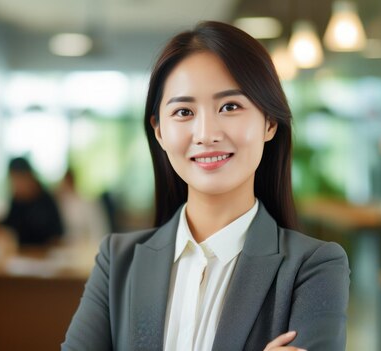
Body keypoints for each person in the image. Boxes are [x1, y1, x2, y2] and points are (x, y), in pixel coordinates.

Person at [62, 21, 350, 351]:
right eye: (184, 111)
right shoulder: (117, 262)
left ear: (269, 122)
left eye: (230, 107)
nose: (206, 134)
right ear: (159, 131)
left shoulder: (313, 268)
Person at [2, 157, 64, 245]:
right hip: (22, 254)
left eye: (19, 179)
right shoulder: (15, 201)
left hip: (45, 254)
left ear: (29, 176)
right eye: (13, 180)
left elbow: (57, 234)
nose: (16, 185)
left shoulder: (46, 200)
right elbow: (7, 229)